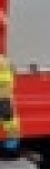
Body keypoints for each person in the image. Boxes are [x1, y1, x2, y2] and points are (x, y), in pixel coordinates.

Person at [0, 11, 21, 159]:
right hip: (5, 97)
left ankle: (11, 149)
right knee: (10, 121)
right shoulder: (4, 61)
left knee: (9, 120)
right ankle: (12, 149)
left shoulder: (3, 62)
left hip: (4, 97)